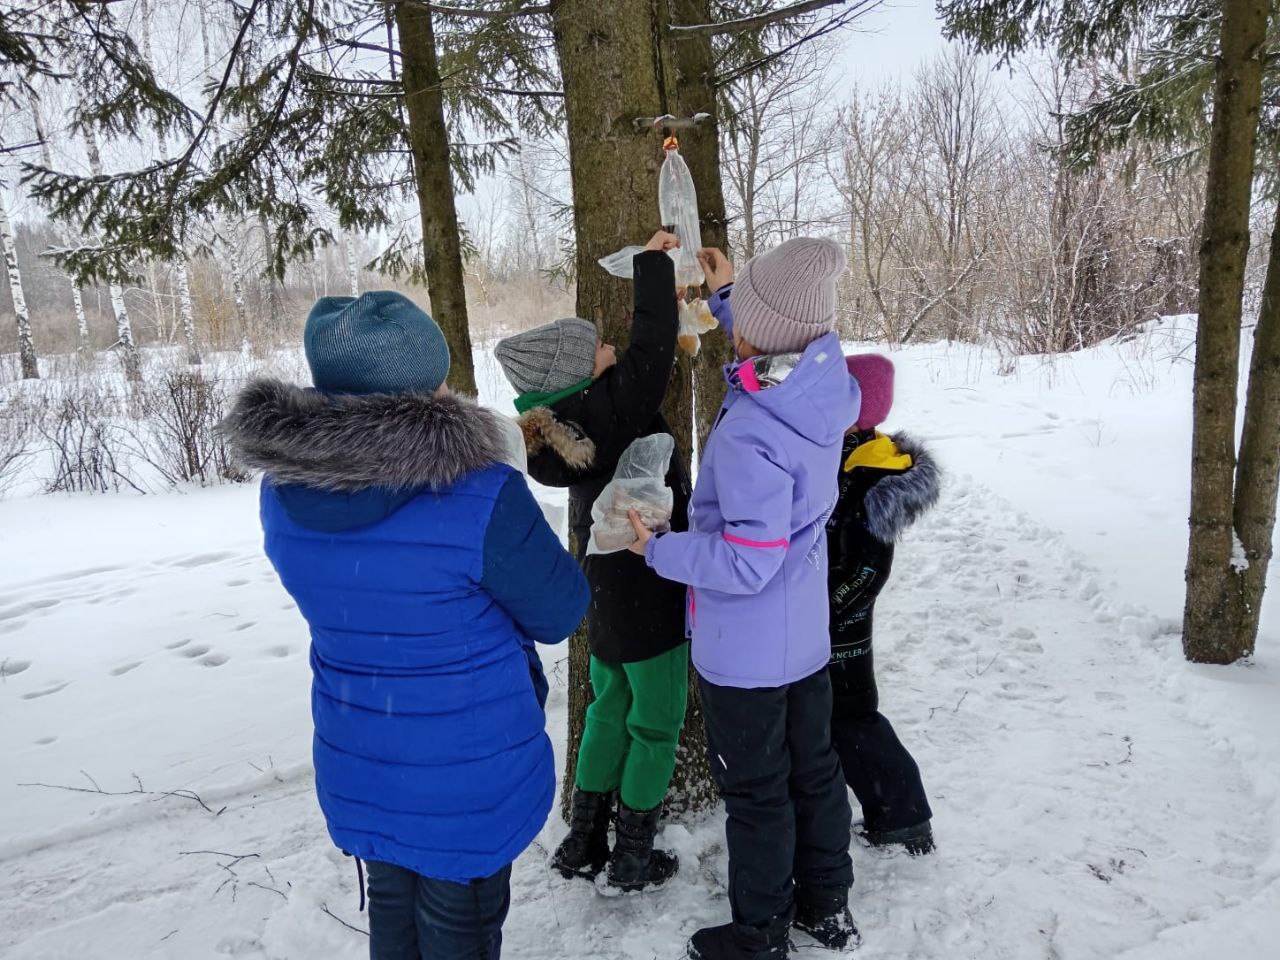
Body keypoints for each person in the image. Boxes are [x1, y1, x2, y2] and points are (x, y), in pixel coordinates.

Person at [221, 291, 588, 960]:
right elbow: (560, 609)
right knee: (460, 933)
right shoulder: (480, 494)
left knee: (393, 917)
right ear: (423, 386)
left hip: (361, 758)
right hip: (465, 778)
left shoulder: (283, 495)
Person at [629, 239, 862, 960]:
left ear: (761, 334)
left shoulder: (749, 435)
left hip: (748, 652)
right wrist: (731, 295)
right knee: (815, 770)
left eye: (743, 317)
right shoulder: (819, 386)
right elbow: (770, 353)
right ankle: (826, 906)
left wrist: (658, 549)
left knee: (759, 795)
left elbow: (747, 560)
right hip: (804, 638)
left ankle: (759, 933)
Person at [494, 230, 690, 892]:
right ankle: (633, 853)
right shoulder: (608, 407)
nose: (609, 347)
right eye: (595, 347)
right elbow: (654, 345)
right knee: (656, 723)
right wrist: (655, 265)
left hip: (603, 588)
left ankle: (582, 840)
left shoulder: (566, 431)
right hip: (650, 579)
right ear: (579, 374)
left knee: (608, 707)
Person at [828, 354, 941, 856]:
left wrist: (824, 613)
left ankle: (903, 816)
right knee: (837, 722)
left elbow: (869, 571)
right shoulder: (849, 458)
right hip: (829, 623)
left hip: (842, 631)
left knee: (854, 721)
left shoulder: (873, 476)